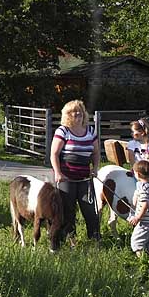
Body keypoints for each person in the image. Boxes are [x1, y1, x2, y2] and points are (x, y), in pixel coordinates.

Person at [48, 99, 101, 247]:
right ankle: (69, 240)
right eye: (73, 112)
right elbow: (54, 154)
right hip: (66, 178)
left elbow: (96, 153)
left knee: (90, 210)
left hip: (85, 179)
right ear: (68, 115)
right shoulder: (63, 131)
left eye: (80, 111)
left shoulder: (91, 131)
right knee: (67, 211)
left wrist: (95, 168)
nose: (77, 114)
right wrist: (58, 173)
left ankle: (95, 239)